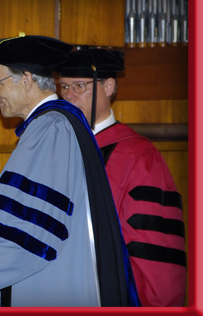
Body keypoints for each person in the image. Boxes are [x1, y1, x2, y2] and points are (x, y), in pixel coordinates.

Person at [0, 34, 140, 307]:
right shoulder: (60, 124)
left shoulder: (51, 128)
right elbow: (31, 218)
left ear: (27, 79)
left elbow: (28, 224)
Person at [55, 48, 186, 306]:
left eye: (79, 86)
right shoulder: (58, 151)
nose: (68, 96)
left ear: (109, 87)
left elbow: (154, 248)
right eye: (62, 87)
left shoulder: (138, 155)